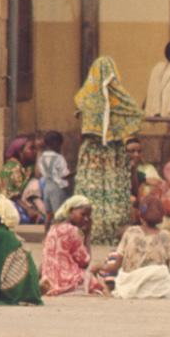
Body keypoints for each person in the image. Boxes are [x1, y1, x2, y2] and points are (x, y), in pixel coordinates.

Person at [73, 56, 145, 245]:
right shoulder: (118, 99)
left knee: (92, 188)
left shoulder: (83, 98)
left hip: (91, 152)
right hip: (112, 152)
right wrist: (117, 130)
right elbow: (137, 113)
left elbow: (80, 129)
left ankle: (91, 229)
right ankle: (110, 229)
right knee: (112, 189)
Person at [103, 197, 170, 299]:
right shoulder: (166, 235)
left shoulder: (130, 232)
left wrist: (98, 267)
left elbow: (115, 268)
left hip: (131, 287)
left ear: (140, 215)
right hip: (158, 285)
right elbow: (166, 268)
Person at [40, 195, 106, 296]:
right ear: (71, 211)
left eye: (88, 216)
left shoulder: (53, 228)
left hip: (49, 278)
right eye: (83, 214)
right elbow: (85, 262)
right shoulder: (71, 230)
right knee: (98, 280)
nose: (86, 219)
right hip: (65, 279)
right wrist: (87, 234)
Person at [0, 136, 42, 223]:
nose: (34, 152)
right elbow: (10, 196)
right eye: (31, 149)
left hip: (23, 202)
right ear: (21, 152)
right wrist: (28, 209)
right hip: (8, 203)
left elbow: (38, 177)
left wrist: (39, 152)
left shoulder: (27, 167)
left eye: (35, 149)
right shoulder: (10, 169)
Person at [36, 130, 69, 222]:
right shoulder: (59, 158)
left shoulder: (42, 157)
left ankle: (47, 233)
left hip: (47, 186)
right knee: (59, 213)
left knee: (49, 214)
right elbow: (64, 174)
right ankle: (59, 232)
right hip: (57, 187)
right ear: (56, 143)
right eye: (60, 144)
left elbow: (40, 173)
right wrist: (75, 172)